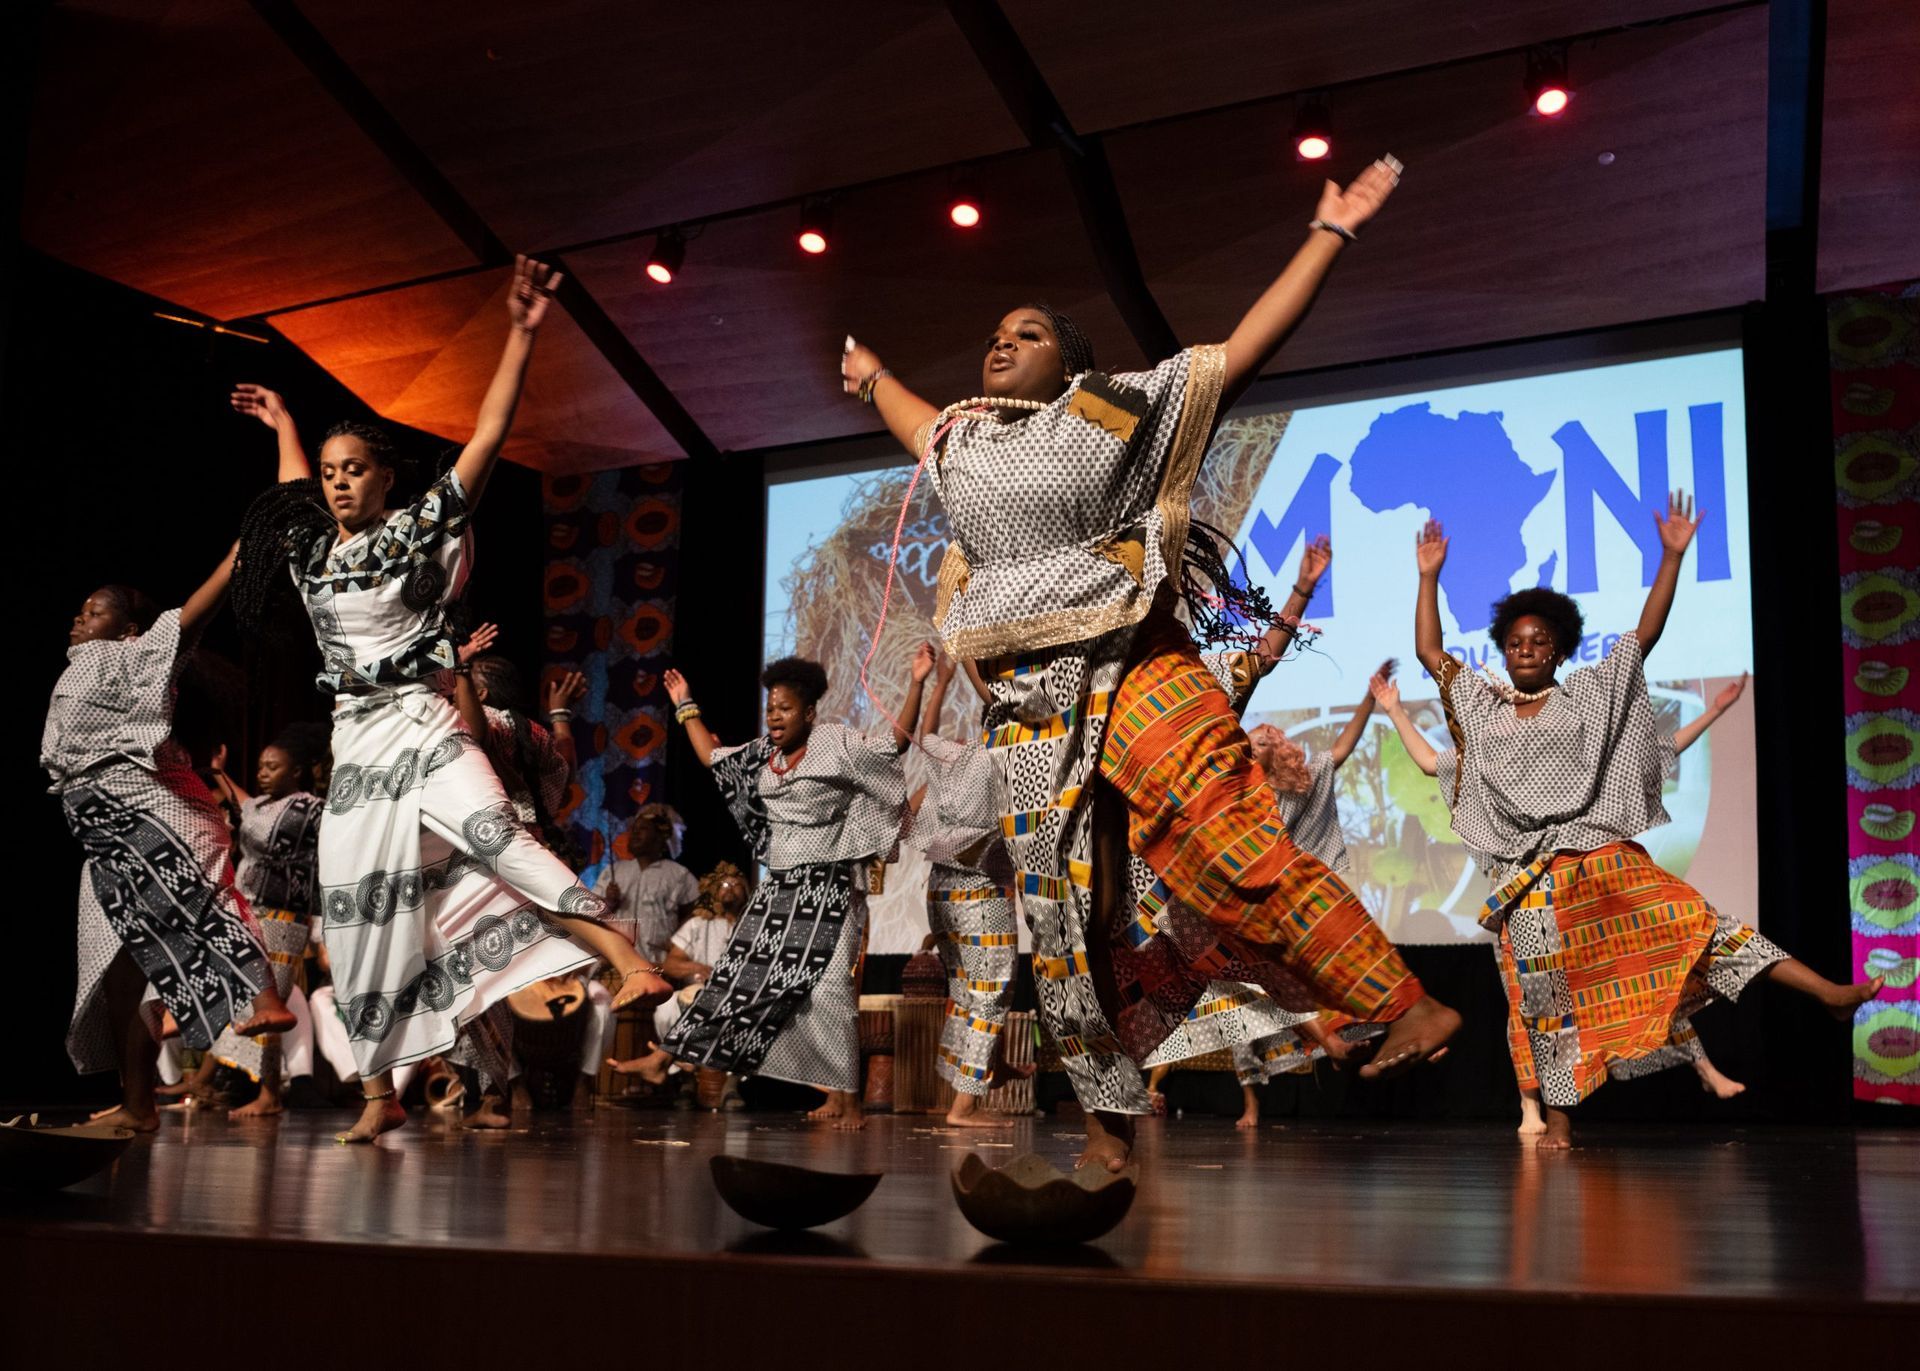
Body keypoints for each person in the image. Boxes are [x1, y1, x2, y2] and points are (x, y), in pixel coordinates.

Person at [840, 157, 1459, 1169]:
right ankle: (1107, 1137)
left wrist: (1329, 234)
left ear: (1071, 361)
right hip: (1032, 714)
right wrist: (870, 378)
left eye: (1028, 332)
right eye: (996, 332)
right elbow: (913, 417)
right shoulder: (963, 442)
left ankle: (1408, 1000)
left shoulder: (1113, 411)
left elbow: (1242, 351)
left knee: (1227, 846)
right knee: (1070, 926)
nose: (1003, 341)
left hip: (1132, 669)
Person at [228, 259, 669, 1144]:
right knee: (361, 918)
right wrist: (284, 426)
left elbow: (491, 433)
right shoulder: (312, 551)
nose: (340, 482)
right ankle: (378, 1093)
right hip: (358, 747)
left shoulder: (413, 530)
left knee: (501, 836)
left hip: (425, 722)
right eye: (330, 471)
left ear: (387, 478)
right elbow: (286, 501)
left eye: (356, 469)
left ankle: (624, 958)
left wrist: (522, 330)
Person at [1408, 500, 1880, 1147]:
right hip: (1531, 882)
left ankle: (1826, 990)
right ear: (1503, 650)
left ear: (1558, 650)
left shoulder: (1585, 695)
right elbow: (1430, 650)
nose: (1525, 650)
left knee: (1698, 923)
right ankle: (1562, 1120)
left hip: (1598, 857)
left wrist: (1673, 556)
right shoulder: (1481, 709)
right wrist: (1429, 576)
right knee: (1549, 1007)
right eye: (1515, 642)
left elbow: (1643, 636)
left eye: (1538, 641)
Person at [1374, 665, 1758, 1132]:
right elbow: (1429, 761)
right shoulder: (1471, 766)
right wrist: (1394, 710)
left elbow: (1657, 753)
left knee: (1639, 976)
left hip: (1569, 891)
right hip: (1518, 902)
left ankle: (1703, 1067)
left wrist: (1715, 711)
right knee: (1528, 1003)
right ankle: (1531, 1107)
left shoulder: (1555, 759)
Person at [43, 557, 294, 1133]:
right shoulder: (86, 666)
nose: (79, 618)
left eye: (95, 610)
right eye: (80, 610)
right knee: (119, 974)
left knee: (199, 897)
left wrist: (242, 550)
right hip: (106, 838)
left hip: (152, 813)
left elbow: (192, 615)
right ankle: (138, 1104)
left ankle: (264, 1002)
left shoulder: (137, 654)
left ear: (130, 629)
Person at [659, 648, 931, 1130]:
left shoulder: (836, 743)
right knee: (740, 978)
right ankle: (678, 1058)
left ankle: (850, 1100)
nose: (774, 716)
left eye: (784, 709)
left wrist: (916, 683)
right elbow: (711, 757)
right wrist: (686, 704)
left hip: (828, 886)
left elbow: (893, 745)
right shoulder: (764, 754)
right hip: (782, 888)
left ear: (808, 711)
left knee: (830, 991)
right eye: (770, 709)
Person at [910, 652, 1019, 1128]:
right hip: (978, 892)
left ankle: (966, 1083)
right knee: (990, 993)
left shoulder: (963, 754)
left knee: (966, 991)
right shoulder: (1007, 763)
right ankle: (964, 1105)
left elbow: (924, 735)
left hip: (940, 892)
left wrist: (941, 681)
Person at [202, 725, 329, 1117]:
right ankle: (251, 1089)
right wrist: (221, 774)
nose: (262, 774)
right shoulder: (269, 803)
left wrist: (228, 788)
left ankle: (269, 1094)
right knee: (257, 1003)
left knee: (268, 1006)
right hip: (254, 912)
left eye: (272, 767)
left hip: (282, 916)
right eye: (260, 766)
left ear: (295, 773)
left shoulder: (306, 807)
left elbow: (260, 829)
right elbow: (251, 809)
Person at [605, 861, 750, 1085]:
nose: (730, 888)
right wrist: (699, 968)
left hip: (741, 995)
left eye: (736, 884)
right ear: (713, 890)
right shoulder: (698, 925)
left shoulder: (755, 926)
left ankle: (729, 1082)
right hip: (699, 990)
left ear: (747, 890)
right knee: (666, 1007)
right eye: (724, 883)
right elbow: (671, 964)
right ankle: (683, 1067)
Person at [594, 804, 700, 970]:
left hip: (658, 965)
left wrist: (677, 942)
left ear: (660, 837)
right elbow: (592, 914)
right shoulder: (614, 871)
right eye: (634, 829)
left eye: (643, 829)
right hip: (617, 965)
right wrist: (609, 902)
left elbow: (695, 913)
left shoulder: (679, 875)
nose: (635, 833)